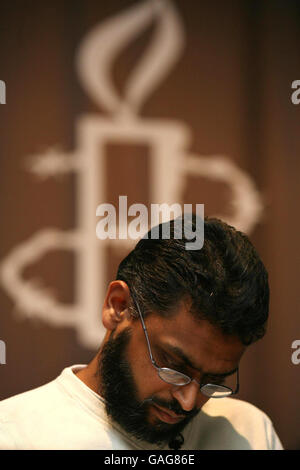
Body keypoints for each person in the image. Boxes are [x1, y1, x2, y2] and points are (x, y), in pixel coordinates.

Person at [0, 216, 283, 450]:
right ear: (118, 307)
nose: (187, 402)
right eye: (173, 365)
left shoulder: (249, 434)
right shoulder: (14, 435)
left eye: (213, 380)